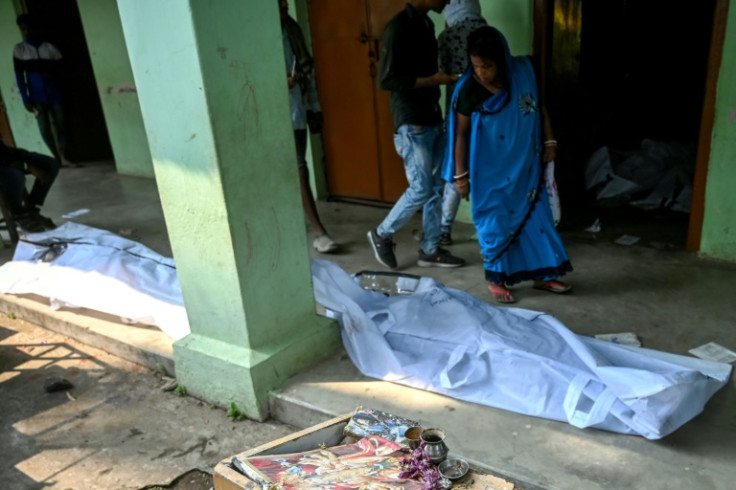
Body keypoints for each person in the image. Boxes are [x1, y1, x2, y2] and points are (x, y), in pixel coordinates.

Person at [443, 26, 572, 303]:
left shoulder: (523, 74)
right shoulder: (469, 90)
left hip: (524, 165)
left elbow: (540, 105)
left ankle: (544, 274)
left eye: (487, 66)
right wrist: (460, 176)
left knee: (537, 220)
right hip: (488, 173)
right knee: (495, 223)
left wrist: (550, 140)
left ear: (501, 61)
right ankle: (496, 278)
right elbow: (461, 135)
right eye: (476, 65)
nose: (481, 72)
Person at [367, 0, 465, 269]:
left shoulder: (426, 24)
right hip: (412, 121)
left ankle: (430, 250)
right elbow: (387, 80)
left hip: (431, 115)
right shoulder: (398, 27)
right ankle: (381, 234)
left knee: (435, 188)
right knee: (421, 187)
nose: (447, 1)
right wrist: (435, 80)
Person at [279, 0, 338, 254]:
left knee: (299, 168)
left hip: (294, 113)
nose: (284, 4)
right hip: (266, 115)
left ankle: (319, 232)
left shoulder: (291, 29)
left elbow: (305, 72)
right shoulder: (255, 34)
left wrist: (314, 107)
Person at [436, 0, 488, 246]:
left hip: (458, 113)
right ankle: (486, 228)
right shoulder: (488, 34)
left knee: (455, 171)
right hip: (488, 112)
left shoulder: (448, 37)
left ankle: (444, 229)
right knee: (484, 170)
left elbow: (440, 72)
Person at [13, 14, 75, 168]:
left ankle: (63, 157)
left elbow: (62, 73)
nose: (26, 31)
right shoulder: (20, 50)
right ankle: (56, 158)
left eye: (28, 28)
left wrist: (61, 89)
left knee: (61, 126)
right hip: (36, 98)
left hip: (55, 95)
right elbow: (20, 78)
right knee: (44, 129)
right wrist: (26, 99)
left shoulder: (50, 48)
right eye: (23, 29)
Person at [0, 140, 59, 232]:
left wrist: (17, 153)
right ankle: (19, 214)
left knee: (50, 164)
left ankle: (31, 207)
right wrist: (26, 166)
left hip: (4, 155)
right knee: (15, 176)